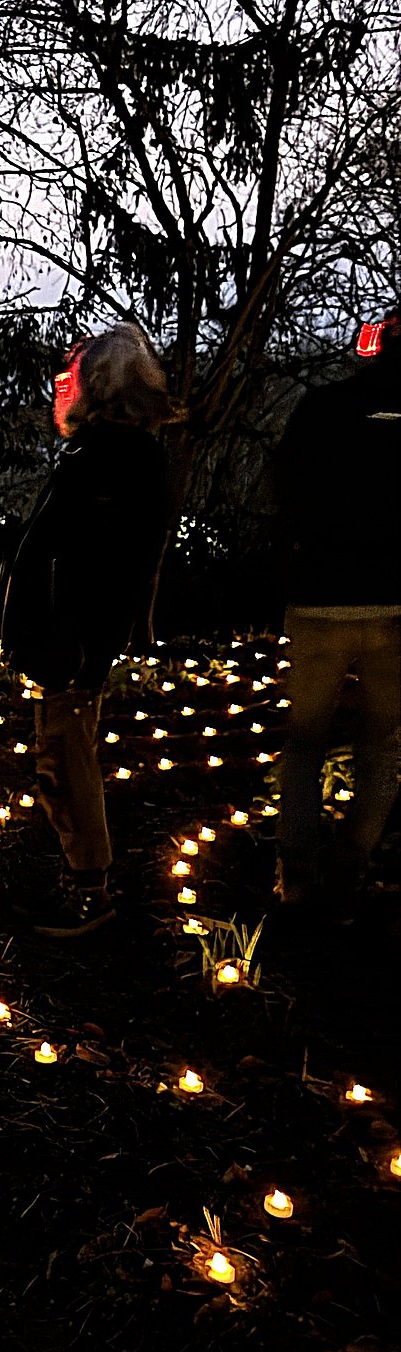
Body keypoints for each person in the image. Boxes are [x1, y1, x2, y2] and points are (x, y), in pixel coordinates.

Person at [1, 321, 176, 936]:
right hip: (72, 638)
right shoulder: (117, 455)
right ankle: (82, 877)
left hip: (74, 643)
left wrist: (72, 640)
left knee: (66, 761)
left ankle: (88, 891)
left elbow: (99, 563)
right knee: (60, 757)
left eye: (73, 378)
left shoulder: (112, 461)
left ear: (100, 385)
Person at [268, 307, 401, 909]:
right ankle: (351, 868)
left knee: (305, 741)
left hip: (320, 599)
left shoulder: (322, 407)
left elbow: (283, 486)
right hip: (394, 607)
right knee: (381, 743)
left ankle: (297, 875)